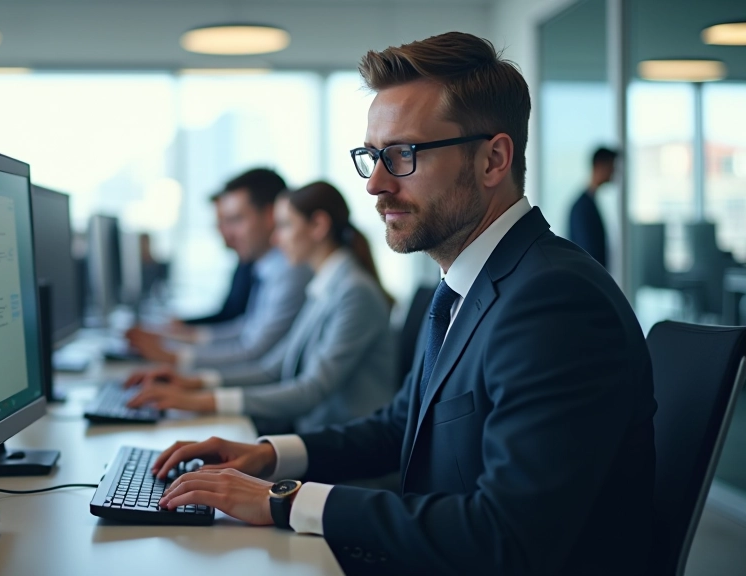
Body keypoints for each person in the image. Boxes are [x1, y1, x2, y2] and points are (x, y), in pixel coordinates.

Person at [148, 32, 656, 576]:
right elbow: (401, 427)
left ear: (493, 160)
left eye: (403, 155)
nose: (375, 185)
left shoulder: (554, 302)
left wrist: (285, 500)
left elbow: (506, 535)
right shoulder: (468, 283)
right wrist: (269, 456)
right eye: (372, 156)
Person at [125, 181, 396, 434]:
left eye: (285, 225)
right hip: (315, 434)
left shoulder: (353, 292)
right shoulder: (326, 285)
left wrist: (200, 401)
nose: (276, 240)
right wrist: (194, 384)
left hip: (344, 452)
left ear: (318, 226)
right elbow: (272, 368)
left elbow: (310, 391)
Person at [127, 168, 312, 369]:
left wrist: (176, 356)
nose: (226, 233)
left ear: (269, 216)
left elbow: (255, 352)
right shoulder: (267, 267)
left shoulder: (289, 270)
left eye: (235, 220)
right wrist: (175, 337)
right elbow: (245, 329)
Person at [179, 193, 255, 327]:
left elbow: (234, 320)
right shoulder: (245, 262)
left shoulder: (259, 266)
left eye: (233, 220)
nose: (220, 229)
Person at [568, 147, 618, 269]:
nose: (614, 171)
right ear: (600, 165)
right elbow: (587, 253)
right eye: (611, 166)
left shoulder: (589, 203)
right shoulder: (582, 207)